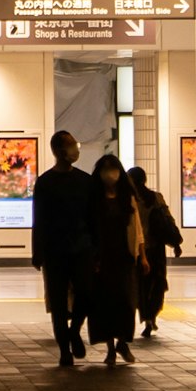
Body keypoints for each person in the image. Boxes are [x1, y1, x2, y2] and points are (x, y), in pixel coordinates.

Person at [30, 128, 96, 369]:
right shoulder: (46, 182)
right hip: (54, 250)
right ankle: (64, 350)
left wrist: (96, 247)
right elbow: (39, 218)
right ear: (58, 151)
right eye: (70, 145)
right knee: (58, 303)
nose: (75, 149)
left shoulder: (85, 180)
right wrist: (37, 251)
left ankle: (74, 331)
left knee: (86, 294)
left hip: (82, 247)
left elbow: (92, 216)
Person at [80, 156, 144, 364]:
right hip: (102, 258)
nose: (110, 175)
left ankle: (122, 342)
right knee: (103, 303)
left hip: (124, 257)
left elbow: (138, 229)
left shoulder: (127, 198)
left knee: (126, 301)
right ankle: (109, 347)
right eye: (106, 170)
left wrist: (142, 256)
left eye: (114, 169)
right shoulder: (93, 199)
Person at [128, 162, 178, 340]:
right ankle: (151, 318)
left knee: (139, 286)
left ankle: (145, 317)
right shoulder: (156, 197)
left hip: (137, 250)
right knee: (155, 284)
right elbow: (167, 219)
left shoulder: (129, 199)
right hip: (156, 250)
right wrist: (176, 242)